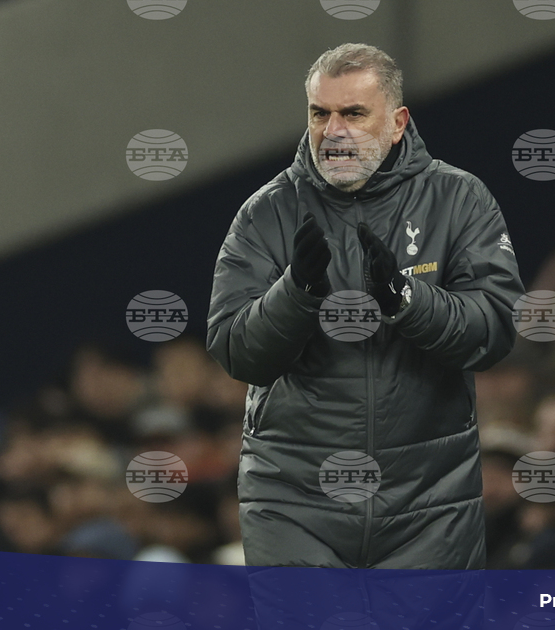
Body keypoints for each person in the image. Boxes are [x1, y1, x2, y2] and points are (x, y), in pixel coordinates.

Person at [205, 43, 524, 569]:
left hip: (430, 505)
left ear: (397, 123)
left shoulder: (460, 200)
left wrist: (407, 300)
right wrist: (296, 292)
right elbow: (236, 352)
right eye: (320, 114)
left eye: (353, 113)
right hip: (294, 504)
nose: (333, 131)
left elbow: (494, 330)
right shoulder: (266, 213)